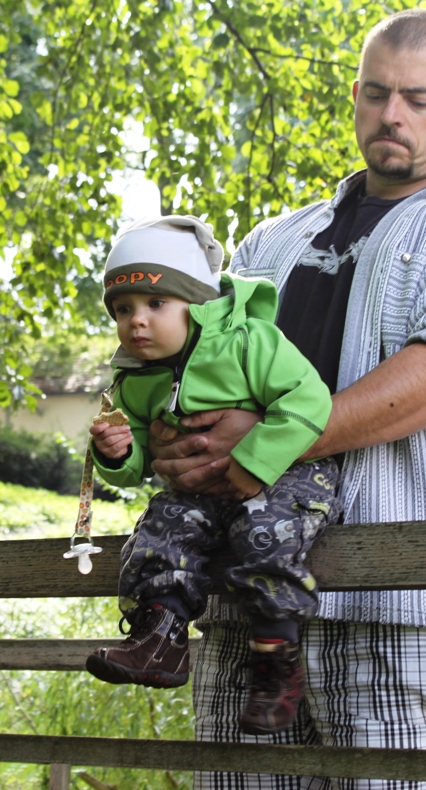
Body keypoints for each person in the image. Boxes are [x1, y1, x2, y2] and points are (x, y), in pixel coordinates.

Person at [148, 9, 426, 790]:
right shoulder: (273, 242)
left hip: (401, 610)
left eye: (418, 98)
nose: (392, 114)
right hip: (250, 613)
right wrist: (174, 434)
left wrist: (260, 443)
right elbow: (200, 370)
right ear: (356, 99)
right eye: (375, 94)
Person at [84, 214, 341, 735]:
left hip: (287, 472)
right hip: (203, 491)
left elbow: (309, 398)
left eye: (156, 304)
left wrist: (254, 462)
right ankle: (160, 635)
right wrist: (116, 451)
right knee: (160, 526)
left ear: (195, 303)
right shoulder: (134, 380)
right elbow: (138, 469)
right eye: (123, 309)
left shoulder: (249, 340)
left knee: (265, 531)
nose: (138, 321)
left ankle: (275, 660)